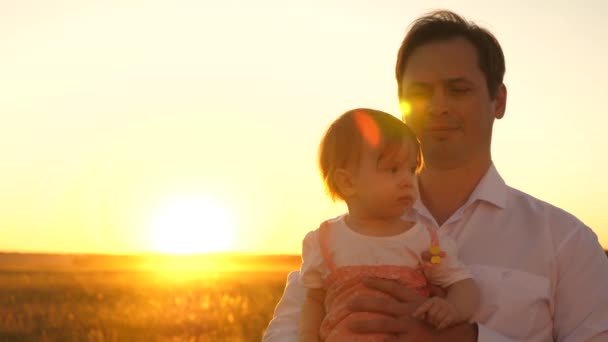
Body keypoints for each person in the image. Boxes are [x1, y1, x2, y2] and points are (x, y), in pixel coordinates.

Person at [263, 9, 608, 342]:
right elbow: (284, 332)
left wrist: (465, 338)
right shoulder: (339, 239)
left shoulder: (566, 242)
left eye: (458, 90)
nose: (438, 106)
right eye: (420, 92)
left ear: (498, 101)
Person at [298, 108, 480, 342]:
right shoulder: (324, 241)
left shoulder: (425, 241)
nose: (407, 180)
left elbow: (464, 285)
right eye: (393, 169)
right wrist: (306, 336)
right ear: (347, 182)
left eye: (412, 169)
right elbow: (313, 301)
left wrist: (452, 309)